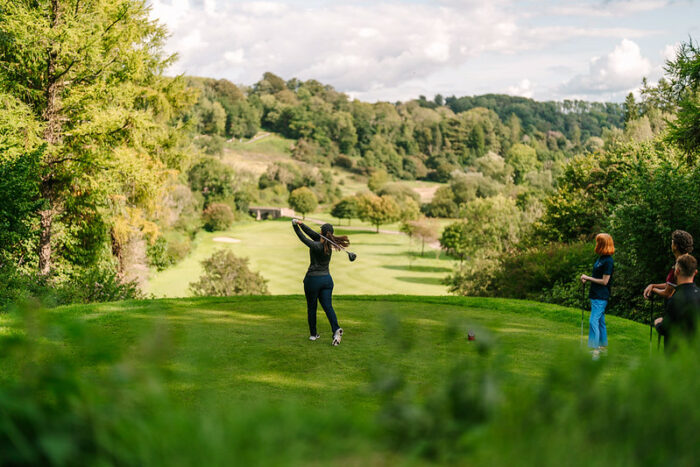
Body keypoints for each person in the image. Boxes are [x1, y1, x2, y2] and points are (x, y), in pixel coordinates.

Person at [292, 218, 350, 346]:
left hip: (313, 280)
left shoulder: (317, 245)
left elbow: (304, 238)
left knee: (312, 308)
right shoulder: (327, 245)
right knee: (328, 307)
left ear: (322, 233)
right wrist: (301, 224)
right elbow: (311, 233)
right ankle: (336, 329)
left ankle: (313, 335)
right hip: (327, 281)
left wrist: (294, 226)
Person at [654, 254, 700, 352]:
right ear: (695, 272)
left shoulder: (676, 299)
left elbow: (665, 329)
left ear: (677, 271)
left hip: (677, 354)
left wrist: (658, 322)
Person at [580, 233, 615, 359]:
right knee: (600, 321)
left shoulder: (608, 261)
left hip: (601, 296)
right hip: (595, 294)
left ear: (603, 244)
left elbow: (605, 281)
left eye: (598, 242)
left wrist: (588, 278)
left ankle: (595, 350)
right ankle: (602, 348)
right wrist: (587, 279)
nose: (596, 244)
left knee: (593, 320)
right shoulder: (601, 258)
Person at [644, 230, 694, 301]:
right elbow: (670, 285)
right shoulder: (688, 262)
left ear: (675, 246)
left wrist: (653, 289)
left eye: (672, 242)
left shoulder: (679, 266)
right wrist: (653, 285)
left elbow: (667, 293)